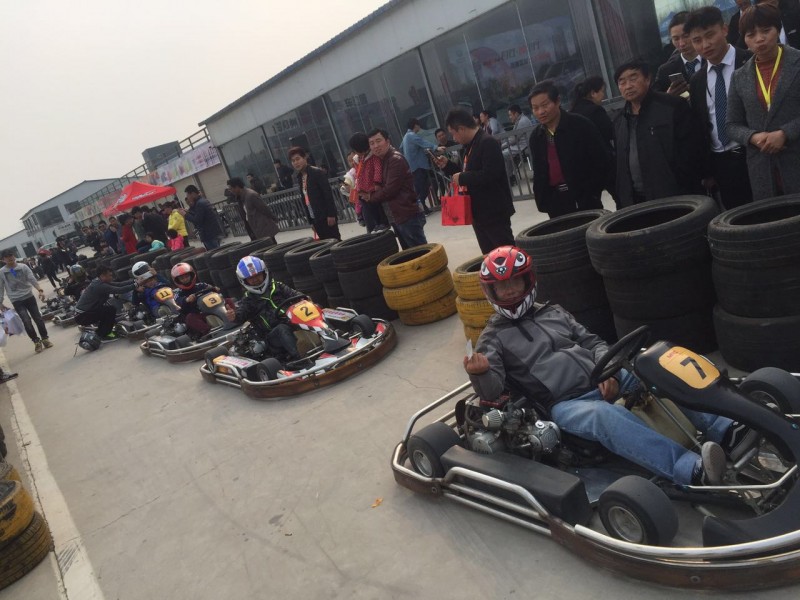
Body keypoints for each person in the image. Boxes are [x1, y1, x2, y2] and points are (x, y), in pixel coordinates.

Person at [463, 246, 758, 486]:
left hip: (601, 375)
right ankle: (690, 469)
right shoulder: (492, 338)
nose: (510, 291)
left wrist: (610, 370)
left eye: (515, 282)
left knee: (655, 366)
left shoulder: (554, 312)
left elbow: (593, 342)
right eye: (502, 287)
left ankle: (724, 429)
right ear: (491, 292)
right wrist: (480, 373)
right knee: (605, 416)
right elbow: (492, 392)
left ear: (528, 281)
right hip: (565, 404)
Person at [727, 2, 800, 200]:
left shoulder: (797, 62)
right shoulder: (739, 76)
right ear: (744, 39)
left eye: (766, 31)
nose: (759, 39)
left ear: (778, 29)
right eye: (751, 35)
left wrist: (785, 133)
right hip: (762, 169)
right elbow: (732, 125)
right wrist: (753, 137)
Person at [686, 6, 755, 209]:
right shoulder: (697, 80)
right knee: (737, 219)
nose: (705, 45)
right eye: (697, 40)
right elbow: (700, 125)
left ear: (724, 29)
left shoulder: (750, 61)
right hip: (722, 163)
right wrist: (707, 171)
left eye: (710, 35)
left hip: (754, 153)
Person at [613, 59, 704, 206]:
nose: (628, 86)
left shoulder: (672, 107)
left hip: (675, 198)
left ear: (647, 79)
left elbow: (692, 153)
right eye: (622, 82)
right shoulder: (619, 120)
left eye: (633, 79)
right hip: (635, 202)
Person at [434, 108, 515, 254]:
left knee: (506, 255)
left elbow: (491, 174)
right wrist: (447, 166)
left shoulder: (487, 142)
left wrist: (463, 178)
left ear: (462, 129)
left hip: (493, 212)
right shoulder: (469, 145)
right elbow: (466, 171)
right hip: (478, 213)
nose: (454, 138)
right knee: (489, 257)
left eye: (453, 133)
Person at [527, 80, 608, 218]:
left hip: (585, 199)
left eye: (545, 105)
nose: (541, 112)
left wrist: (592, 192)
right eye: (535, 108)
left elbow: (601, 161)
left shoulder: (580, 125)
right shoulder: (537, 136)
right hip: (555, 202)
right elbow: (539, 172)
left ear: (557, 101)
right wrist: (543, 199)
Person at [230, 256, 313, 368]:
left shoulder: (278, 286)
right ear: (244, 281)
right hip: (271, 336)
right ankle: (299, 360)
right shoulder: (248, 300)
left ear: (264, 273)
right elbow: (240, 315)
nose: (255, 279)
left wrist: (303, 298)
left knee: (314, 309)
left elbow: (295, 295)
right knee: (282, 329)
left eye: (258, 275)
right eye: (251, 278)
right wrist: (234, 316)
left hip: (292, 321)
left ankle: (330, 338)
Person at [366, 129, 427, 249]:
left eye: (378, 141)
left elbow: (390, 190)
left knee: (420, 252)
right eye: (372, 143)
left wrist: (371, 197)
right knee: (410, 253)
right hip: (397, 216)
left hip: (407, 214)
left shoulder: (395, 160)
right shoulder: (382, 161)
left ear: (387, 141)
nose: (376, 146)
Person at [0, 249, 52, 353]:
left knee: (38, 319)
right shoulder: (1, 272)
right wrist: (0, 302)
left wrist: (40, 290)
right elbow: (0, 287)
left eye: (11, 255)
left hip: (29, 297)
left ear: (14, 256)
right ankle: (36, 341)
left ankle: (45, 339)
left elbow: (32, 279)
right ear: (2, 260)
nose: (10, 258)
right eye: (7, 257)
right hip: (16, 300)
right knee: (26, 321)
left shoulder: (23, 267)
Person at [288, 148, 340, 241]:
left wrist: (331, 214)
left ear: (305, 158)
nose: (296, 162)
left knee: (334, 241)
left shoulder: (316, 172)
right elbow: (306, 200)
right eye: (293, 161)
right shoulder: (300, 177)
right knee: (324, 243)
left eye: (298, 159)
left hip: (326, 216)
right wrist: (311, 221)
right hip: (315, 217)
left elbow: (328, 194)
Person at [74, 266, 136, 340]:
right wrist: (136, 285)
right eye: (110, 275)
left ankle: (103, 331)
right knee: (110, 310)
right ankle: (103, 334)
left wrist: (135, 281)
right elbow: (120, 290)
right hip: (83, 316)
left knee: (108, 310)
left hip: (84, 313)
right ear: (102, 276)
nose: (111, 277)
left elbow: (119, 284)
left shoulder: (99, 281)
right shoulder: (99, 286)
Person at [348, 132, 390, 233]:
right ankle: (375, 225)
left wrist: (377, 183)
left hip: (372, 188)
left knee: (377, 207)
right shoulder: (361, 159)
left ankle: (382, 223)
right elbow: (357, 172)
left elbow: (378, 169)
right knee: (369, 209)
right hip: (363, 189)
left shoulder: (373, 157)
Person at [654, 11, 704, 95]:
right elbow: (656, 99)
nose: (681, 43)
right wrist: (668, 96)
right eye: (676, 39)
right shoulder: (665, 71)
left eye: (686, 36)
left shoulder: (712, 59)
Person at [400, 118, 442, 215]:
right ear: (416, 125)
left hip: (413, 167)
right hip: (419, 166)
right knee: (423, 187)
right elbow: (423, 143)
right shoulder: (412, 135)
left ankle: (423, 208)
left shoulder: (405, 136)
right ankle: (420, 209)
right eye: (418, 125)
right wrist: (436, 147)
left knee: (421, 187)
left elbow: (401, 148)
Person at [171, 263, 224, 338]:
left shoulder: (201, 285)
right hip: (197, 314)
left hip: (212, 309)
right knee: (190, 318)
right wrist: (187, 300)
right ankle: (207, 332)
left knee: (228, 300)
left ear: (191, 275)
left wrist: (215, 289)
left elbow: (211, 288)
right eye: (182, 278)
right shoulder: (178, 293)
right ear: (178, 281)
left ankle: (234, 319)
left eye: (187, 276)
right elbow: (179, 301)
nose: (185, 279)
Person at [227, 177, 281, 242]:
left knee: (270, 245)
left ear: (237, 187)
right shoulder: (240, 198)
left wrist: (274, 218)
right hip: (254, 229)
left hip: (262, 227)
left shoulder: (251, 195)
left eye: (231, 188)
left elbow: (264, 208)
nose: (230, 191)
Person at [570, 76, 615, 150]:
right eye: (602, 91)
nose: (603, 95)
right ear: (593, 93)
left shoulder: (573, 111)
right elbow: (610, 132)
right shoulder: (596, 111)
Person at [180, 185, 223, 250]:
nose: (188, 198)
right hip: (212, 232)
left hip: (208, 234)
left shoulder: (200, 203)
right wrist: (188, 212)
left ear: (193, 194)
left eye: (188, 195)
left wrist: (185, 215)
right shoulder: (202, 201)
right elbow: (199, 215)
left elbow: (197, 220)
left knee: (215, 252)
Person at [501, 104, 534, 179]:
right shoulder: (520, 120)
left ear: (516, 113)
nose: (509, 117)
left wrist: (501, 146)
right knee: (505, 153)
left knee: (503, 154)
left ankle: (509, 176)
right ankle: (510, 175)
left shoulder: (522, 121)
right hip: (520, 145)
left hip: (523, 146)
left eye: (510, 115)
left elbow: (513, 139)